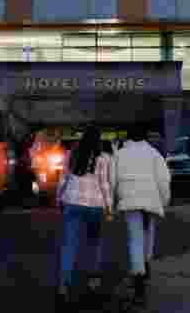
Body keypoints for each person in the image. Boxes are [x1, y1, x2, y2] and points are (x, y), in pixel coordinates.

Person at [112, 122, 171, 305]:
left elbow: (112, 179)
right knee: (148, 235)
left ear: (129, 137)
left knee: (135, 239)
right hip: (150, 200)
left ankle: (139, 285)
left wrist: (114, 200)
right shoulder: (154, 154)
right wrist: (163, 202)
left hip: (130, 202)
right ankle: (144, 268)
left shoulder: (120, 154)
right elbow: (164, 180)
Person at [55, 125, 112, 308]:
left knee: (69, 245)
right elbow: (105, 184)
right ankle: (92, 285)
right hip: (95, 206)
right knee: (94, 245)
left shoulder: (71, 154)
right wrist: (109, 207)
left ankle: (63, 287)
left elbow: (63, 178)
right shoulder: (104, 158)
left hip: (72, 202)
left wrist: (58, 198)